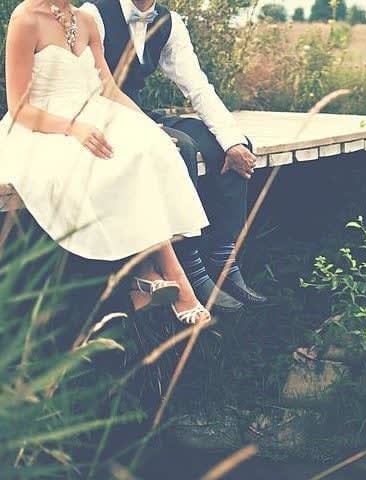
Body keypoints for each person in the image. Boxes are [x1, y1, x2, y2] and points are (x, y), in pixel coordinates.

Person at [0, 0, 212, 325]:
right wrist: (72, 127)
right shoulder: (25, 19)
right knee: (105, 163)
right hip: (43, 125)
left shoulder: (85, 20)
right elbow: (18, 107)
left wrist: (149, 127)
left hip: (94, 113)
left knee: (150, 148)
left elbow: (109, 89)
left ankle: (147, 275)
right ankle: (174, 279)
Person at [80, 0, 268, 313]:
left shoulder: (169, 22)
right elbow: (90, 85)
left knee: (227, 143)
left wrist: (232, 141)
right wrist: (145, 128)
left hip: (140, 112)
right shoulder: (94, 14)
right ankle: (190, 266)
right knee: (180, 147)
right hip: (102, 120)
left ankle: (223, 256)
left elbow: (197, 87)